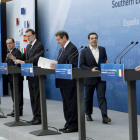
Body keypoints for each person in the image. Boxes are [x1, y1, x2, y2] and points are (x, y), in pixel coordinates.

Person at [7, 29, 44, 125]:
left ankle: (39, 118)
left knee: (37, 97)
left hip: (37, 75)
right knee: (32, 97)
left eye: (29, 36)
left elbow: (35, 59)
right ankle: (35, 116)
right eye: (26, 36)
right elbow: (24, 58)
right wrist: (14, 58)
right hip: (30, 75)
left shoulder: (39, 45)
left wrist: (23, 62)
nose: (27, 38)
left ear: (34, 36)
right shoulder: (28, 46)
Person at [79, 32, 111, 123]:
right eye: (92, 38)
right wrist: (90, 70)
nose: (94, 40)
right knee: (88, 97)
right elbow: (81, 65)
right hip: (89, 78)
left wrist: (107, 64)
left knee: (102, 97)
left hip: (101, 78)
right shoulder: (84, 51)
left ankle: (105, 116)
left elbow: (104, 61)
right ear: (88, 40)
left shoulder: (102, 49)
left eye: (95, 38)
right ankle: (88, 114)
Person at [50, 30, 78, 133]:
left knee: (71, 104)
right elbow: (61, 63)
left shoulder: (72, 48)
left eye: (58, 40)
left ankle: (74, 125)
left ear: (64, 37)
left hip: (69, 82)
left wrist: (57, 66)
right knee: (66, 105)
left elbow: (73, 65)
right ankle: (68, 123)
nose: (57, 42)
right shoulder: (62, 49)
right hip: (62, 81)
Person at [5, 38, 24, 117]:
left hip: (17, 77)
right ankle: (15, 109)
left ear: (13, 43)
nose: (8, 45)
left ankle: (19, 110)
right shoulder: (8, 52)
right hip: (10, 77)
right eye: (7, 44)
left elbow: (18, 64)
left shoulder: (17, 52)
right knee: (13, 95)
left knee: (18, 94)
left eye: (10, 43)